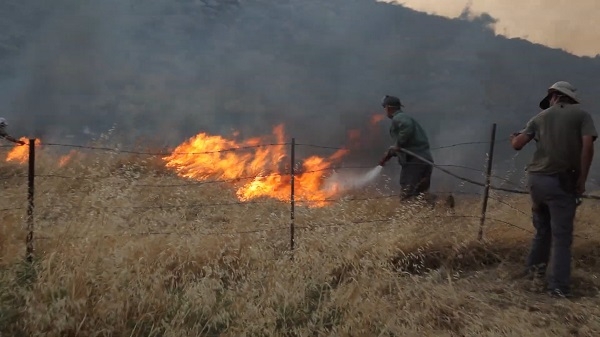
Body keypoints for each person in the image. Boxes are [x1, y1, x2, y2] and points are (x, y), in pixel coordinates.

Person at [510, 81, 597, 298]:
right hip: (561, 181)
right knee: (561, 237)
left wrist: (514, 137)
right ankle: (558, 288)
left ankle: (532, 274)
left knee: (542, 231)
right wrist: (582, 180)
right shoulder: (581, 115)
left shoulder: (539, 118)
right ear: (568, 97)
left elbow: (518, 144)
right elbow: (588, 146)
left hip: (536, 180)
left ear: (553, 96)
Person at [378, 95, 435, 202]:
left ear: (388, 108)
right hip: (424, 159)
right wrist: (389, 155)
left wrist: (398, 144)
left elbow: (407, 127)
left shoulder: (399, 117)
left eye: (384, 108)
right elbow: (402, 145)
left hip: (413, 161)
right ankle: (441, 203)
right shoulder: (403, 117)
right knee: (421, 194)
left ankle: (411, 215)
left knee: (407, 193)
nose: (385, 111)